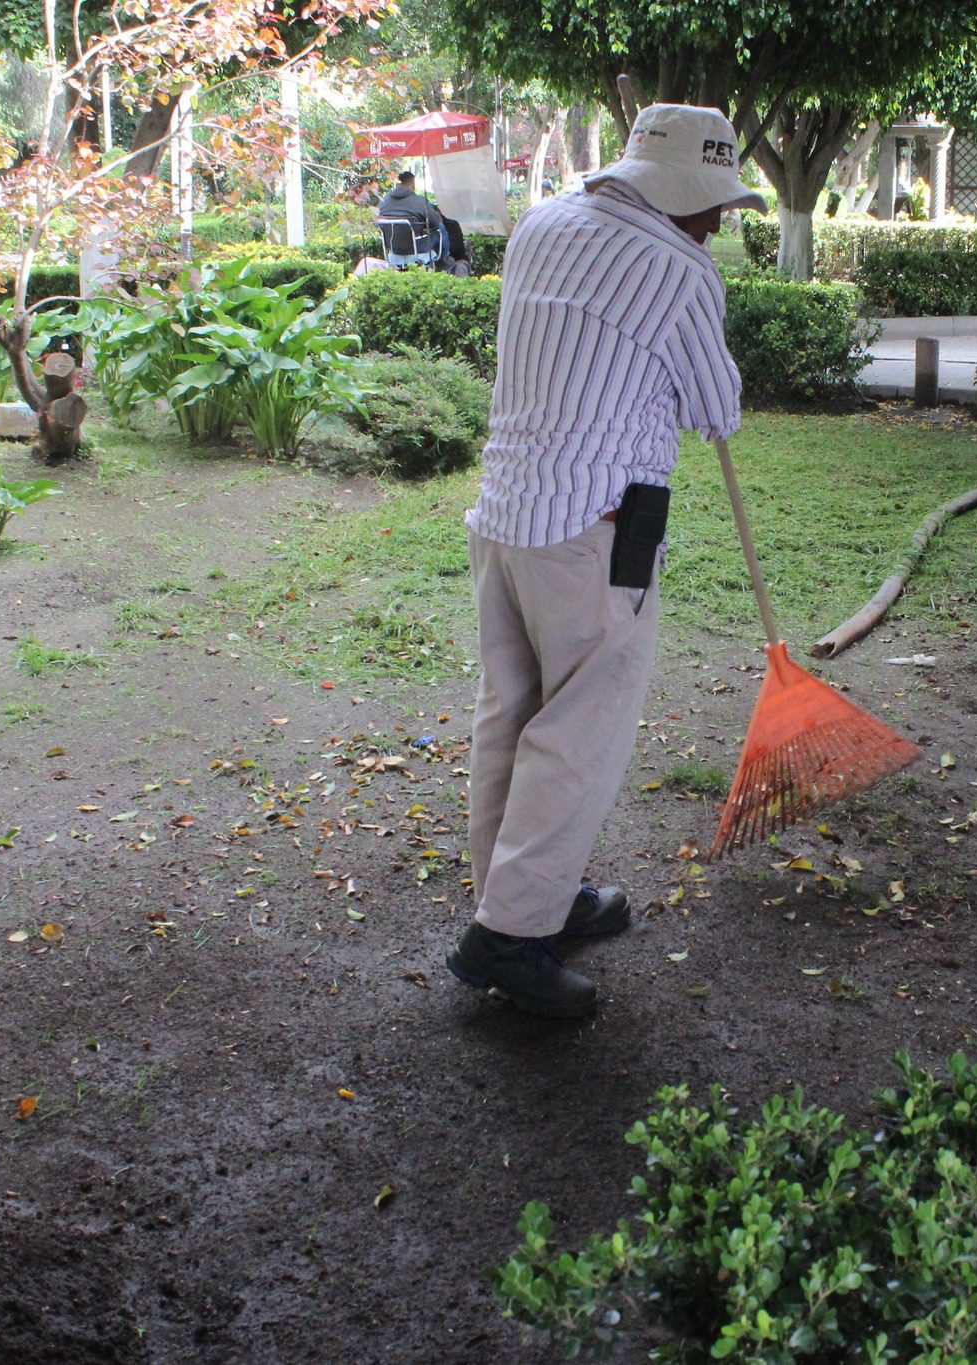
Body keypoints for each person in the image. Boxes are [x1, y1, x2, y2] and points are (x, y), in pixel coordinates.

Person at [446, 104, 764, 1018]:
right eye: (713, 203)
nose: (721, 220)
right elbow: (718, 410)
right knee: (576, 733)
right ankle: (511, 938)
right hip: (595, 528)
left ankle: (524, 898)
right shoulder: (680, 270)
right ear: (677, 193)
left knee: (511, 716)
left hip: (504, 515)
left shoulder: (543, 222)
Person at [376, 169, 468, 271]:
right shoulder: (419, 202)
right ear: (412, 184)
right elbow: (436, 223)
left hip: (393, 249)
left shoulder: (384, 202)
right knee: (441, 228)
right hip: (417, 248)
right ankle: (443, 260)